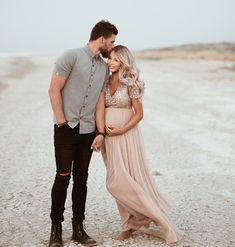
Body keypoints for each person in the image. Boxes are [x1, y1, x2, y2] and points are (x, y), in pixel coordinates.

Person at [101, 45, 183, 244]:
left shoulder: (130, 83)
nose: (110, 62)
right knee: (118, 179)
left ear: (124, 62)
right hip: (108, 139)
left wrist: (122, 129)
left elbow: (139, 114)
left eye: (114, 59)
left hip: (127, 136)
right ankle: (128, 225)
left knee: (123, 181)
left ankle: (153, 217)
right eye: (109, 58)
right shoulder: (104, 80)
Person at [48, 20, 118, 247]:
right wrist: (61, 121)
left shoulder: (103, 68)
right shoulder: (71, 56)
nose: (113, 46)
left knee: (82, 179)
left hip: (88, 131)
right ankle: (55, 230)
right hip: (66, 129)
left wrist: (100, 132)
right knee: (62, 177)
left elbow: (99, 101)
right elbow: (53, 89)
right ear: (102, 39)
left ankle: (78, 228)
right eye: (112, 41)